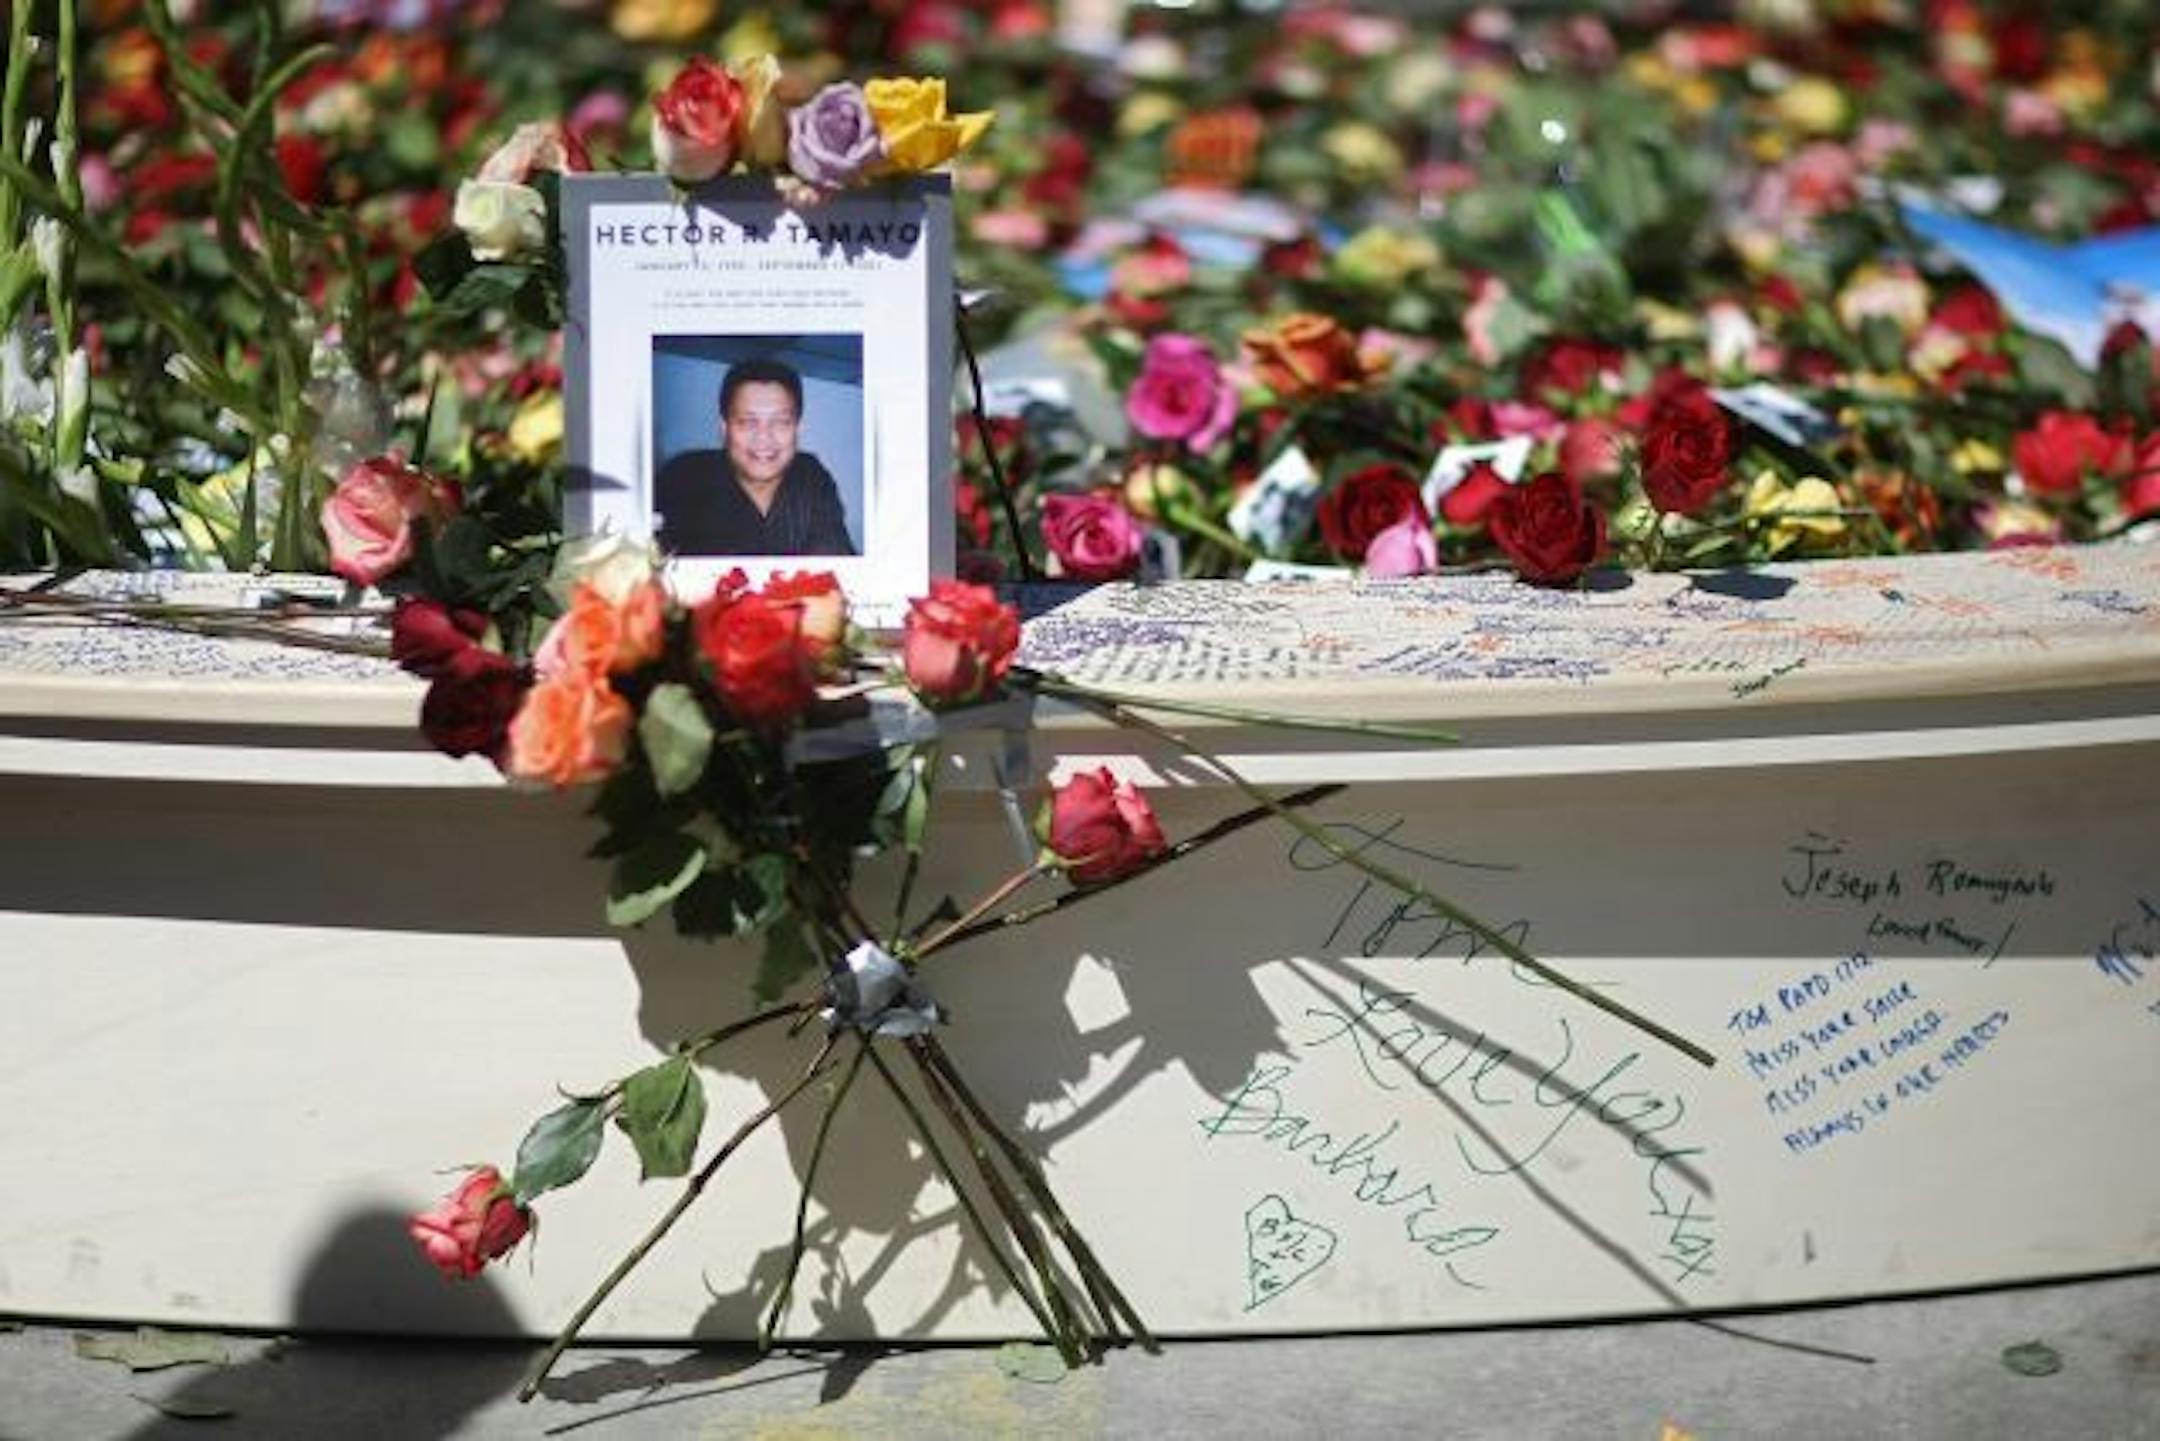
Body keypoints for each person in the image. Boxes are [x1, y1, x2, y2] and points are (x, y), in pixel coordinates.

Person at [654, 357, 858, 557]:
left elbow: (835, 561)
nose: (763, 438)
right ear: (724, 429)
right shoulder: (683, 477)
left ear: (797, 428)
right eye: (747, 422)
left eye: (780, 422)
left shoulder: (810, 475)